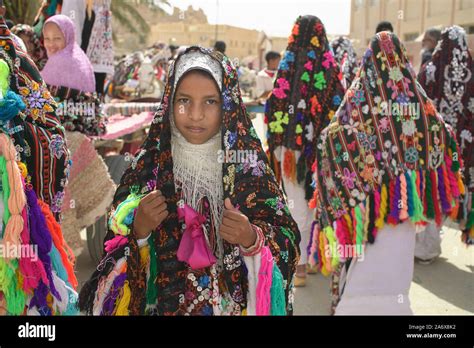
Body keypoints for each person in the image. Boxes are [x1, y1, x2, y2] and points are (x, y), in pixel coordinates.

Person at [78, 47, 300, 316]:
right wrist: (140, 232)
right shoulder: (150, 169)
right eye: (184, 100)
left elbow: (287, 239)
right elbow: (111, 250)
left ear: (228, 103)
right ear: (170, 102)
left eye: (210, 101)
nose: (195, 114)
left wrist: (251, 238)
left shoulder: (247, 168)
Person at [309, 31, 465, 314]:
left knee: (359, 271)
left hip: (362, 215)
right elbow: (444, 135)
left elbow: (331, 141)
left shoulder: (354, 108)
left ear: (369, 62)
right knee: (395, 274)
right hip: (402, 209)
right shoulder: (420, 107)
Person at [0, 9, 78, 316]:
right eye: (48, 38)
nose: (52, 44)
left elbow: (54, 140)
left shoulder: (13, 57)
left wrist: (11, 126)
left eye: (56, 38)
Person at [265, 15, 344, 287]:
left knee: (297, 205)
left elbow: (273, 104)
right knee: (314, 205)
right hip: (321, 150)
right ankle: (308, 261)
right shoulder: (330, 66)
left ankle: (300, 265)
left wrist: (276, 143)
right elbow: (339, 109)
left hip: (289, 151)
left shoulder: (286, 64)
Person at [418, 25, 474, 260]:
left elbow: (417, 106)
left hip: (435, 143)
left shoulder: (430, 70)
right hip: (464, 144)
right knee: (451, 189)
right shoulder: (472, 72)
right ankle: (434, 241)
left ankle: (426, 247)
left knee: (432, 188)